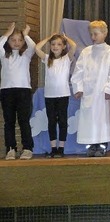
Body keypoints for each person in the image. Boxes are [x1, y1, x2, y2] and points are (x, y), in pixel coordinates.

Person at [70, 20, 110, 157]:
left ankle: (102, 145)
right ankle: (91, 145)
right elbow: (78, 70)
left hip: (103, 92)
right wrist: (78, 87)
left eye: (96, 34)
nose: (93, 37)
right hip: (88, 92)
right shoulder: (86, 52)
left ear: (104, 33)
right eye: (91, 34)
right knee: (89, 119)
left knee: (103, 119)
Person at [35, 33, 77, 158]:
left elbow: (74, 46)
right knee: (52, 121)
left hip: (63, 95)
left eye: (59, 44)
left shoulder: (66, 59)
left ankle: (61, 148)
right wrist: (48, 38)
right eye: (53, 44)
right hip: (49, 96)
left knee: (62, 121)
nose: (55, 46)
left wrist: (65, 37)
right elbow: (37, 48)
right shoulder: (47, 58)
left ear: (64, 46)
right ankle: (54, 147)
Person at [0, 22, 35, 160]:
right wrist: (7, 33)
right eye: (13, 40)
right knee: (9, 121)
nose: (16, 42)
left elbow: (32, 46)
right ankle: (10, 148)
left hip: (23, 91)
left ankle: (27, 148)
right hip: (6, 91)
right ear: (8, 42)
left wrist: (26, 34)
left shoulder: (26, 55)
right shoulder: (4, 55)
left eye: (20, 40)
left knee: (23, 121)